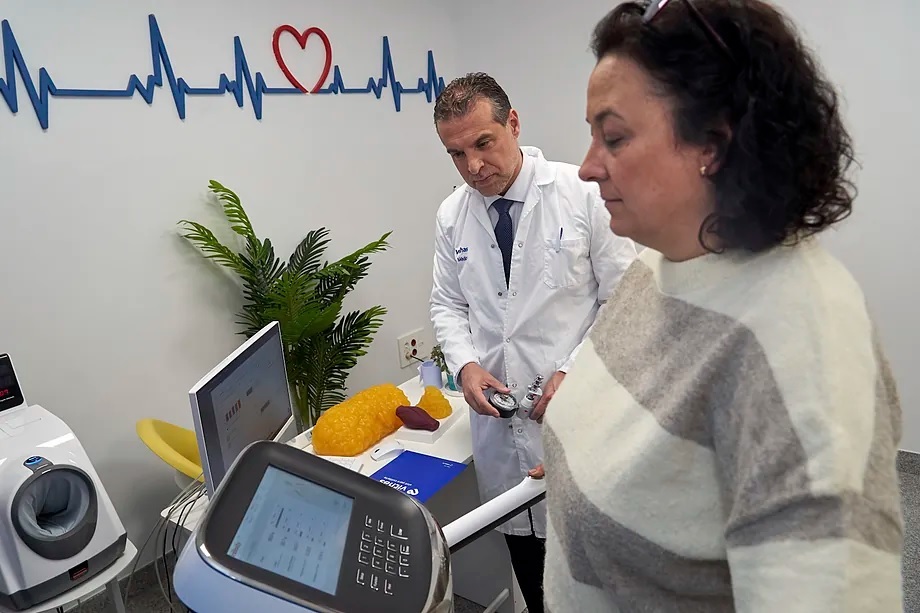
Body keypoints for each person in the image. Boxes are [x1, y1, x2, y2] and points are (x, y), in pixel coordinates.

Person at [538, 1, 905, 611]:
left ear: (713, 141)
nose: (586, 167)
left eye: (615, 136)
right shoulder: (664, 262)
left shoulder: (801, 345)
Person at [428, 72, 638, 612]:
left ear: (513, 124)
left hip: (579, 417)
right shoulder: (452, 216)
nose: (474, 166)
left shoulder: (582, 195)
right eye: (456, 154)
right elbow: (448, 305)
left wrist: (577, 371)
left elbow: (627, 302)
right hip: (502, 434)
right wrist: (467, 365)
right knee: (535, 577)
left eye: (483, 144)